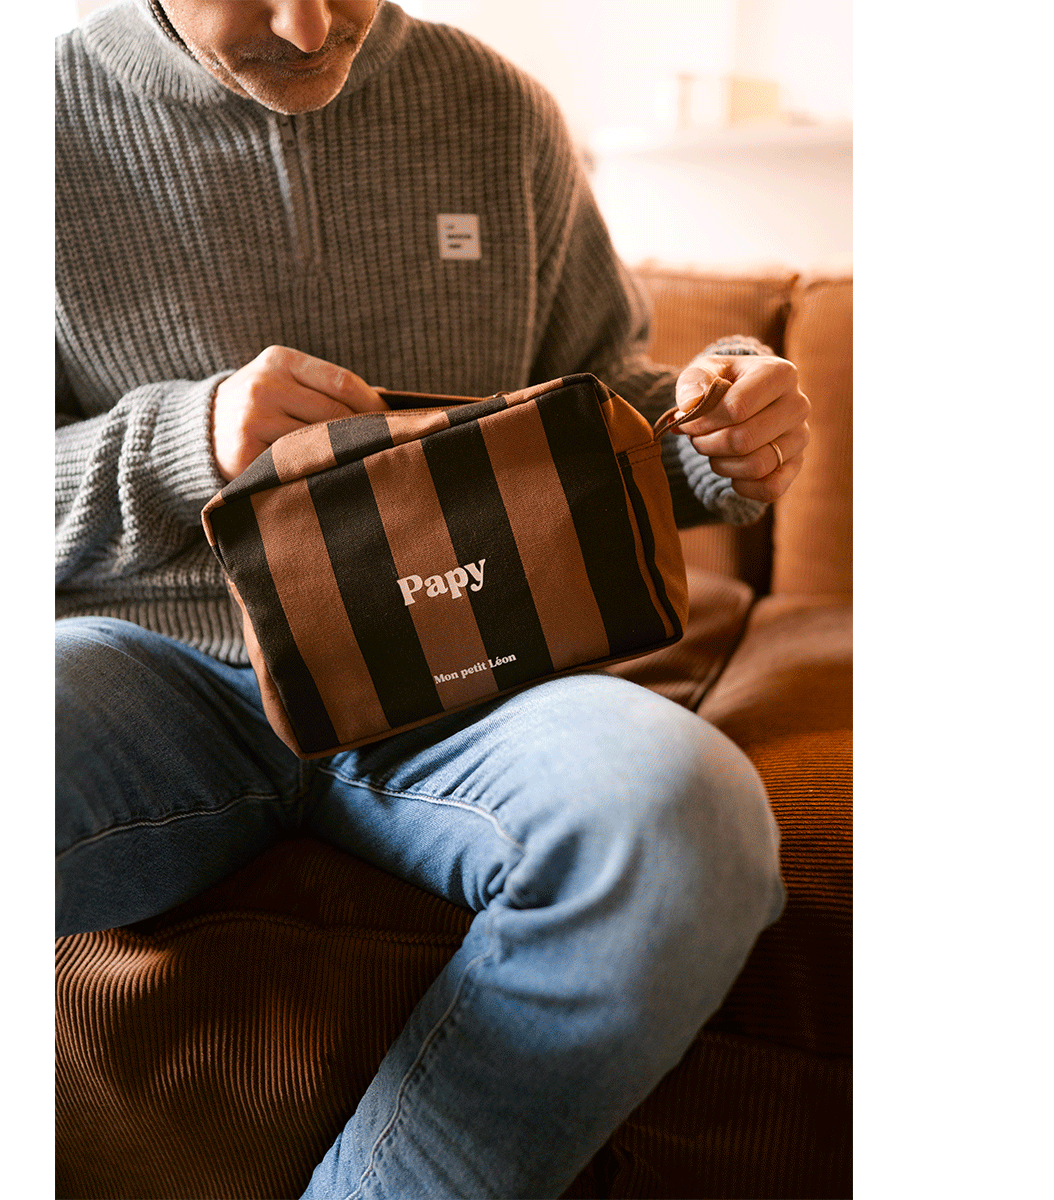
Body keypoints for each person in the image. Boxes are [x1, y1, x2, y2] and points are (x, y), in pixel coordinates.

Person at [55, 2, 810, 1196]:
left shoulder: (498, 113)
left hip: (476, 689)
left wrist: (722, 440)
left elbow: (602, 412)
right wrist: (185, 438)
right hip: (156, 671)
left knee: (693, 822)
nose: (309, 26)